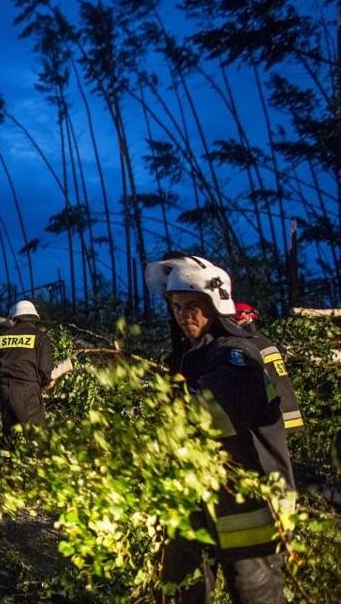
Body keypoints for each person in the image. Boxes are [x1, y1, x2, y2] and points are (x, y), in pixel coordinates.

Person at [146, 255, 295, 603]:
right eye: (178, 306)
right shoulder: (193, 357)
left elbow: (213, 414)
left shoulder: (236, 354)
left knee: (255, 592)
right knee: (181, 586)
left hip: (249, 504)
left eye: (193, 306)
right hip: (200, 496)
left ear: (215, 305)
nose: (185, 316)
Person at [0, 300, 55, 450]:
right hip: (28, 390)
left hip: (5, 390)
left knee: (9, 433)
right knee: (37, 435)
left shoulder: (2, 337)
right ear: (33, 316)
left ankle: (6, 468)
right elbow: (46, 371)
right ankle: (39, 469)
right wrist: (48, 382)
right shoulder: (40, 337)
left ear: (15, 317)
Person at [232, 301, 304, 433]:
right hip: (280, 411)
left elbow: (275, 380)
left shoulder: (254, 344)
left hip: (274, 415)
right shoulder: (260, 341)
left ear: (244, 316)